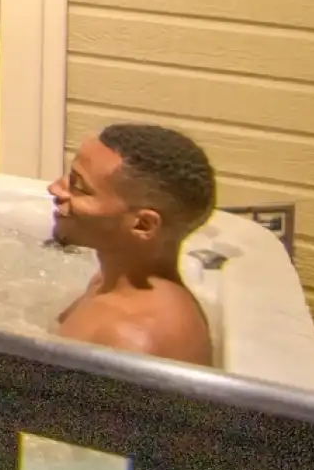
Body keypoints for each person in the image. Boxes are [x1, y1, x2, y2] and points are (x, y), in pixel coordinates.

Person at [49, 124, 217, 366]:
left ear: (143, 225)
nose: (54, 188)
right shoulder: (108, 280)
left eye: (79, 186)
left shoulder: (131, 342)